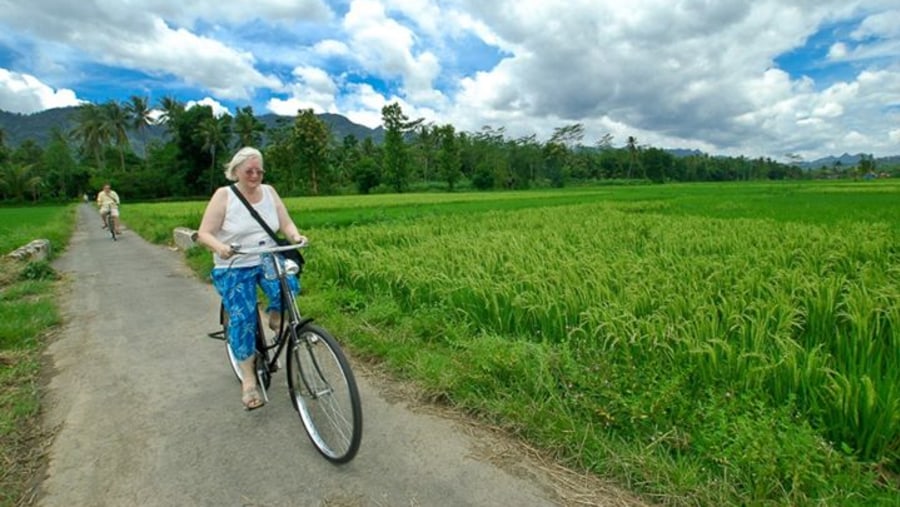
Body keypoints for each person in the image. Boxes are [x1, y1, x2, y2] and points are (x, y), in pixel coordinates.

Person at [196, 147, 307, 411]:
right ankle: (248, 380)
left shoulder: (269, 192)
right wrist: (220, 248)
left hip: (266, 256)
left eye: (259, 170)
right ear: (236, 172)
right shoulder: (224, 196)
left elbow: (285, 224)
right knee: (244, 318)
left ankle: (276, 318)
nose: (255, 175)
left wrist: (296, 237)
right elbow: (204, 233)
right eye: (249, 171)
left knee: (288, 286)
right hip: (234, 263)